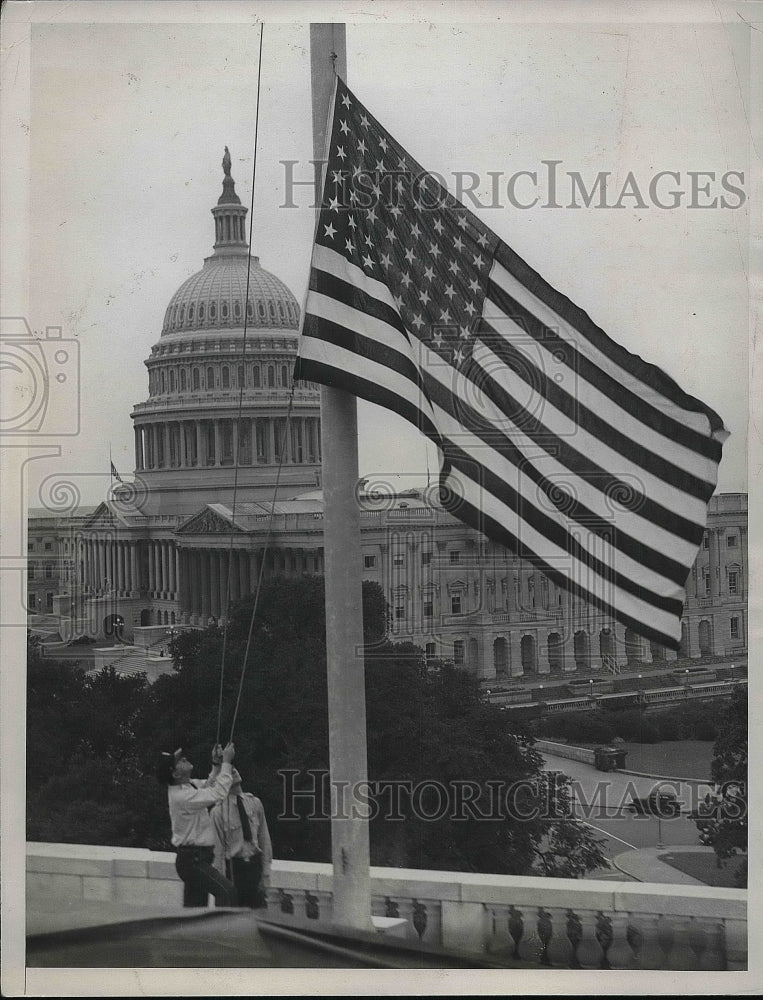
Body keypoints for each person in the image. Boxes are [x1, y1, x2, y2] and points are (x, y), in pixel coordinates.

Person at [156, 741, 238, 907]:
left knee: (195, 911)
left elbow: (209, 787)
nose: (184, 758)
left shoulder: (188, 786)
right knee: (227, 891)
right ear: (176, 774)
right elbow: (218, 793)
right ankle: (225, 932)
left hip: (196, 858)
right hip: (192, 860)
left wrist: (216, 764)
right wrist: (227, 763)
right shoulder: (181, 797)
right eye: (179, 761)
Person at [211, 768, 273, 909]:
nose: (233, 770)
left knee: (258, 917)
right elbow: (217, 853)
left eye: (233, 768)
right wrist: (221, 885)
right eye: (227, 771)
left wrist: (266, 873)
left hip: (254, 867)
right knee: (234, 922)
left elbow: (264, 839)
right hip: (234, 870)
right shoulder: (218, 812)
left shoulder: (255, 803)